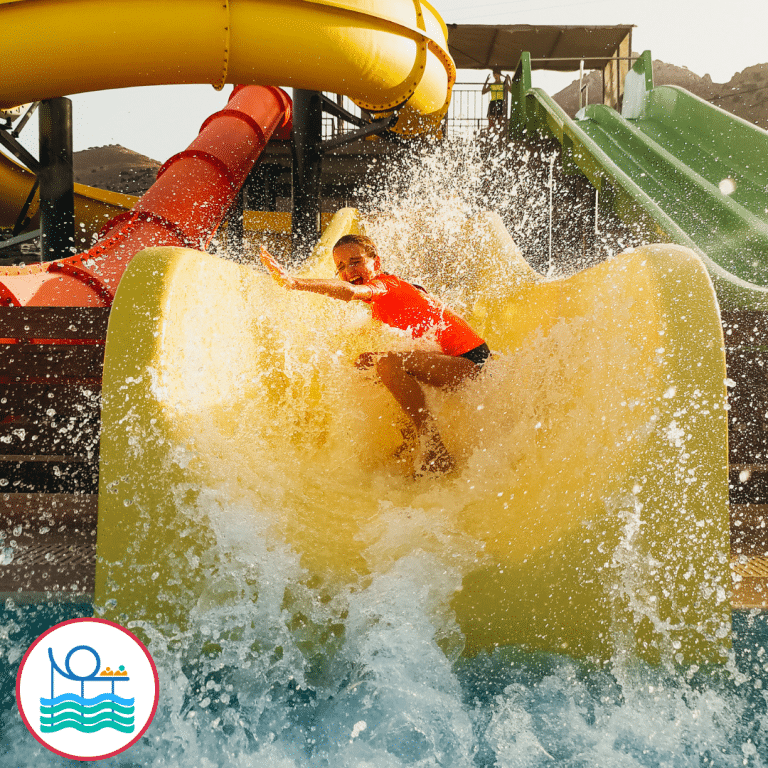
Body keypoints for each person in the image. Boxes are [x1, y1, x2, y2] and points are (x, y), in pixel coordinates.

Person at [260, 234, 491, 476]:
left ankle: (435, 449)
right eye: (340, 267)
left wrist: (294, 283)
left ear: (376, 263)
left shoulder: (387, 285)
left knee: (388, 363)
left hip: (474, 363)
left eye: (355, 261)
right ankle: (411, 438)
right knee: (365, 363)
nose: (349, 270)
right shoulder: (379, 305)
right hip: (454, 363)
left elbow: (349, 292)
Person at [482, 69, 512, 135]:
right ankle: (491, 136)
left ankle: (500, 137)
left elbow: (511, 90)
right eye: (494, 74)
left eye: (496, 74)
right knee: (491, 123)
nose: (495, 76)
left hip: (500, 103)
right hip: (493, 103)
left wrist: (509, 80)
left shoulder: (503, 84)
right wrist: (486, 82)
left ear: (500, 75)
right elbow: (483, 92)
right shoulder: (491, 85)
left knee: (500, 122)